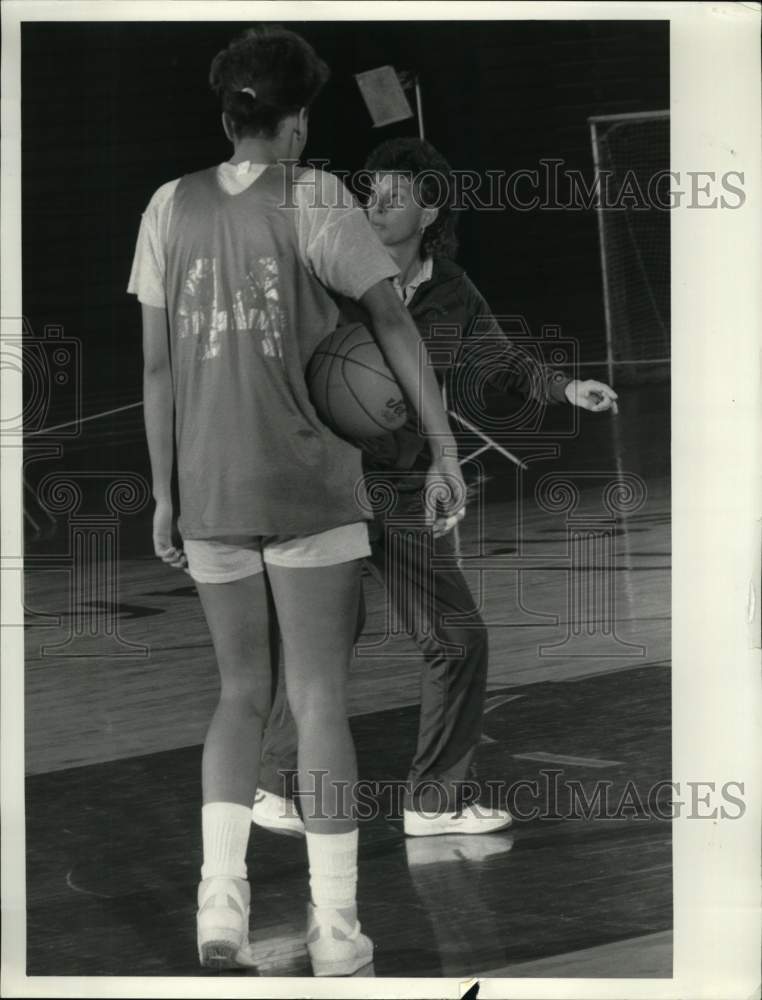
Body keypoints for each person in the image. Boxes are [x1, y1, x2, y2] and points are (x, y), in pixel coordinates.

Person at [128, 33, 465, 976]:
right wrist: (442, 450)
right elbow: (393, 320)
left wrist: (165, 495)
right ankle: (337, 926)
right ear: (299, 121)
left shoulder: (166, 206)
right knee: (317, 700)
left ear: (227, 116)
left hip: (210, 489)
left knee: (238, 696)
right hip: (310, 484)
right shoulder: (317, 197)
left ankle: (222, 909)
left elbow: (157, 367)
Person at [252, 137, 619, 839]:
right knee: (325, 635)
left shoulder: (452, 289)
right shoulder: (329, 277)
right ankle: (273, 785)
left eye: (394, 195)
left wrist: (568, 386)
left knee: (456, 637)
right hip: (328, 481)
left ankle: (435, 803)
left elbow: (501, 361)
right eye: (370, 193)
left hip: (404, 486)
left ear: (430, 210)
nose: (375, 205)